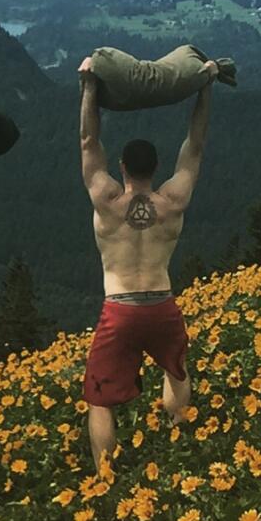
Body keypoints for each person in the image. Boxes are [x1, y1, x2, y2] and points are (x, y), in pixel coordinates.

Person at [76, 55, 216, 472]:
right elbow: (195, 145)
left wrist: (88, 88)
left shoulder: (107, 198)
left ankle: (106, 476)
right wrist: (205, 87)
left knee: (99, 398)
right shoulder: (173, 200)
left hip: (120, 306)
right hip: (161, 302)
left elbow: (88, 143)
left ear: (122, 167)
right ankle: (179, 441)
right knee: (176, 369)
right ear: (156, 169)